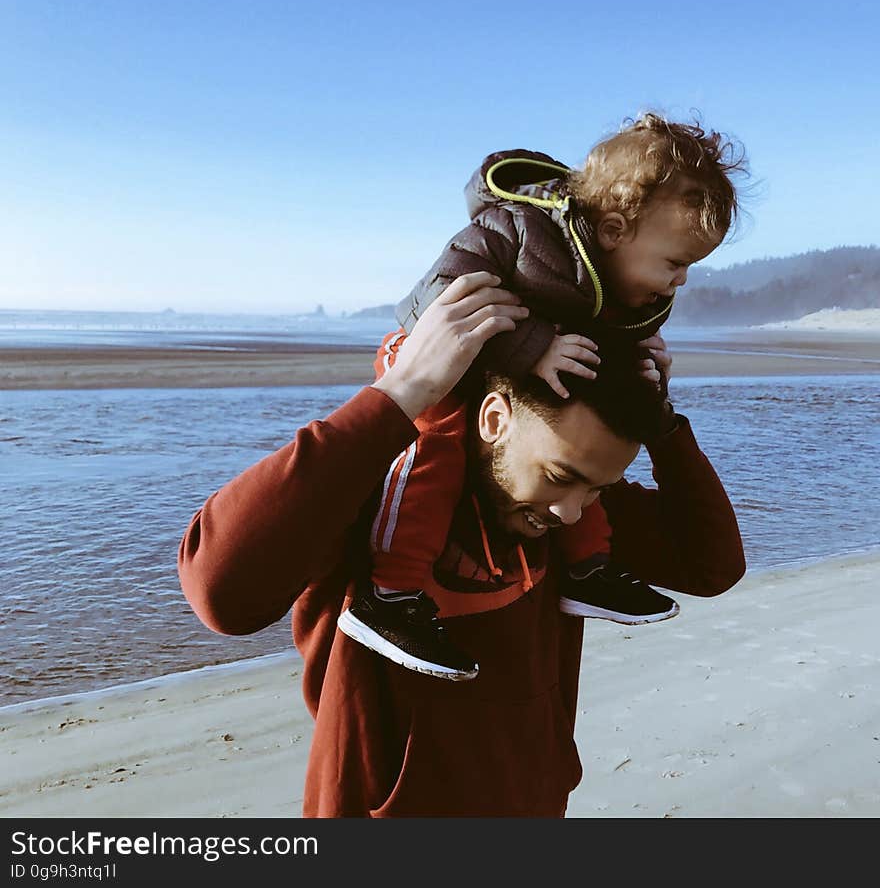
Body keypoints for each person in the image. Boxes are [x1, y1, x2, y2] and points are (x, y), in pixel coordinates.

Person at [178, 272, 745, 818]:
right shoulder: (377, 494)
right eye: (559, 476)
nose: (571, 509)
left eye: (598, 487)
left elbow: (711, 565)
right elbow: (221, 594)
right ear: (495, 419)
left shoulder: (573, 512)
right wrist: (400, 393)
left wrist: (663, 425)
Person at [342, 112, 748, 679]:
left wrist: (649, 395)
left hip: (522, 390)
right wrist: (531, 348)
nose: (680, 280)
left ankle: (586, 570)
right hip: (433, 366)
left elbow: (713, 564)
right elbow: (432, 300)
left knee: (580, 470)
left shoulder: (620, 285)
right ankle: (390, 594)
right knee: (433, 452)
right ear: (613, 230)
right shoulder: (516, 229)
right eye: (676, 262)